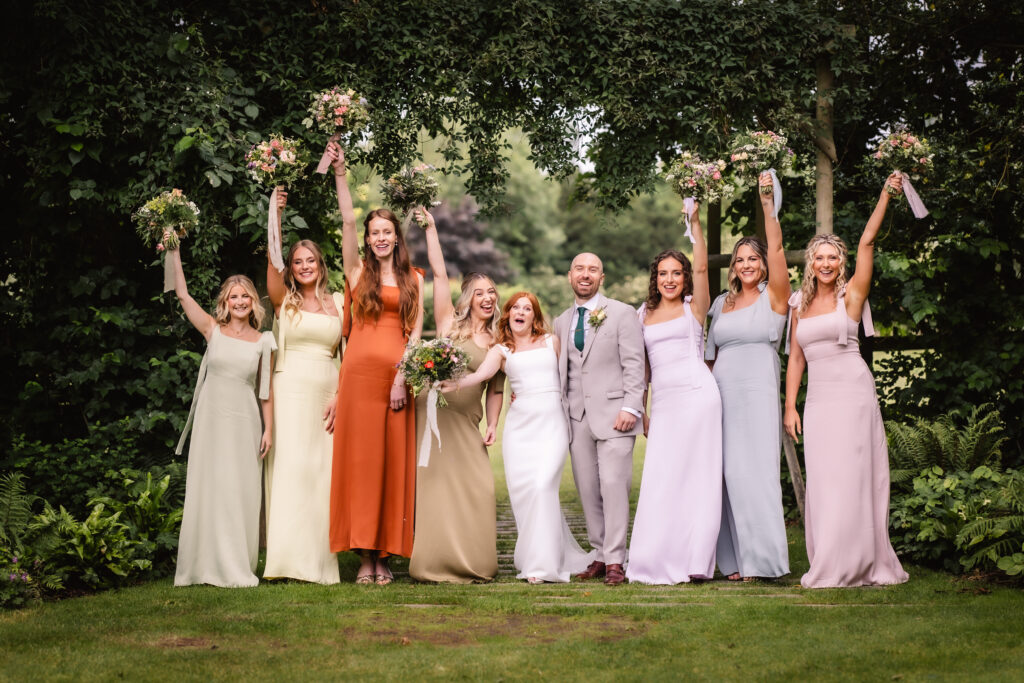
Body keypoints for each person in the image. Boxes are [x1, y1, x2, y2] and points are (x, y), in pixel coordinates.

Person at [784, 173, 909, 588]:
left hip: (854, 393)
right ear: (810, 262)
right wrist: (790, 406)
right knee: (825, 477)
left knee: (854, 475)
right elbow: (796, 359)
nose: (825, 264)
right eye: (818, 257)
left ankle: (860, 562)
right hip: (818, 401)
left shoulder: (851, 295)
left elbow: (868, 243)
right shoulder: (799, 303)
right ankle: (829, 560)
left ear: (841, 263)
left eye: (832, 258)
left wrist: (885, 196)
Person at [443, 293, 595, 583]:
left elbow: (574, 376)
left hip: (552, 424)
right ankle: (537, 558)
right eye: (516, 308)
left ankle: (542, 566)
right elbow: (480, 377)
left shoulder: (552, 342)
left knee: (542, 486)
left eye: (528, 308)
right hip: (520, 428)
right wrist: (453, 383)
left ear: (535, 316)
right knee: (526, 495)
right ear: (508, 314)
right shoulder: (501, 350)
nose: (521, 312)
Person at [327, 143, 424, 585]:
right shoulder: (355, 273)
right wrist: (341, 173)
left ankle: (385, 556)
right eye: (374, 232)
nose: (380, 237)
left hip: (395, 381)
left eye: (387, 231)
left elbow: (416, 334)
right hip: (358, 380)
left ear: (396, 237)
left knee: (390, 467)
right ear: (367, 239)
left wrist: (402, 378)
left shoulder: (414, 279)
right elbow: (347, 219)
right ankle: (365, 557)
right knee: (362, 467)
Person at [627, 203, 723, 584]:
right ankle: (654, 558)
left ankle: (696, 560)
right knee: (662, 477)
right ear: (656, 278)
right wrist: (643, 409)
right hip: (664, 404)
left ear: (685, 278)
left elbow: (703, 266)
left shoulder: (693, 308)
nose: (670, 279)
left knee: (699, 477)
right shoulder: (642, 315)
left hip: (699, 396)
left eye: (676, 273)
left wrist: (695, 223)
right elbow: (643, 369)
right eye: (663, 274)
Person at [168, 247, 275, 588]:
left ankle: (235, 566)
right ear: (225, 302)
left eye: (245, 296)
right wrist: (174, 249)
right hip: (211, 422)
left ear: (253, 302)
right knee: (210, 488)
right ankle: (201, 567)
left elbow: (265, 390)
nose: (240, 301)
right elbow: (182, 295)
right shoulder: (212, 330)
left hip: (244, 422)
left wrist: (269, 428)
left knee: (238, 490)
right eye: (234, 296)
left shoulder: (263, 341)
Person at [408, 208, 504, 583]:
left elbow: (496, 389)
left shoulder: (499, 341)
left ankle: (476, 562)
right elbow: (439, 273)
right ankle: (431, 563)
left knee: (476, 488)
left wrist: (493, 422)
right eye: (479, 292)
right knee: (435, 489)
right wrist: (431, 229)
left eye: (492, 292)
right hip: (434, 416)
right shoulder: (449, 323)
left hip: (468, 423)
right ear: (468, 298)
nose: (487, 297)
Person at [705, 172, 791, 581]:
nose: (746, 265)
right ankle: (734, 562)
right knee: (724, 475)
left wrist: (767, 204)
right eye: (739, 260)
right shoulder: (721, 303)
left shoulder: (774, 297)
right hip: (721, 396)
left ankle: (765, 562)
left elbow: (776, 246)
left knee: (754, 474)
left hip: (757, 394)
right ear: (733, 268)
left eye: (752, 259)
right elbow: (708, 357)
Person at [263, 189, 343, 585]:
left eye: (311, 260)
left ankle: (320, 564)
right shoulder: (284, 303)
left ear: (320, 265)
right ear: (291, 269)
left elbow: (352, 355)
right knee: (291, 470)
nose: (305, 266)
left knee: (321, 474)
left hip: (327, 393)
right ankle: (285, 562)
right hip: (290, 390)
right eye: (298, 262)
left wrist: (342, 395)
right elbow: (271, 261)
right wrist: (274, 215)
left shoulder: (340, 303)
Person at [553, 253, 646, 586]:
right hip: (576, 418)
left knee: (613, 486)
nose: (585, 274)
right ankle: (599, 554)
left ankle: (616, 560)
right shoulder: (561, 321)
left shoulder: (621, 313)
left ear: (601, 278)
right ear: (570, 276)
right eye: (580, 269)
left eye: (593, 270)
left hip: (616, 415)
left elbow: (635, 363)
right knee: (588, 490)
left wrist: (632, 407)